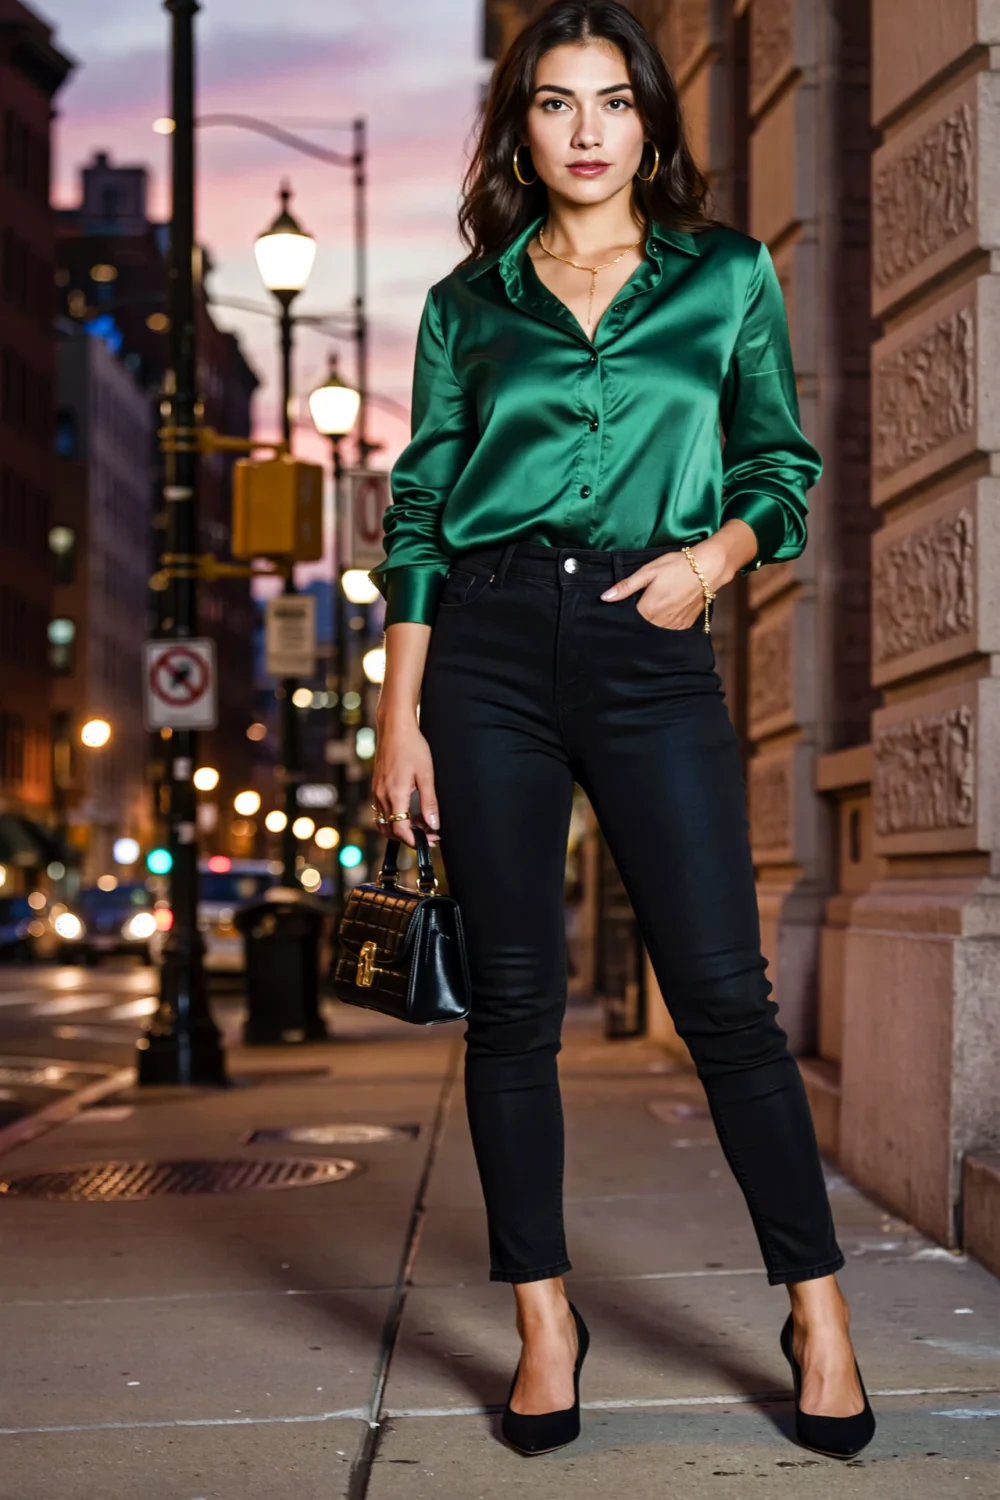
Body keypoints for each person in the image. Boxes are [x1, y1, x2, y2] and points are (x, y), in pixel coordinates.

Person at [368, 0, 875, 1463]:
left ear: (652, 120)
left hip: (651, 645)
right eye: (553, 103)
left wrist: (711, 566)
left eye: (613, 102)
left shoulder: (723, 278)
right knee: (514, 1005)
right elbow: (417, 517)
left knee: (724, 998)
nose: (586, 132)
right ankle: (543, 1318)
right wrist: (398, 722)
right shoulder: (471, 306)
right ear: (519, 125)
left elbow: (781, 460)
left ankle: (818, 1310)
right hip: (489, 650)